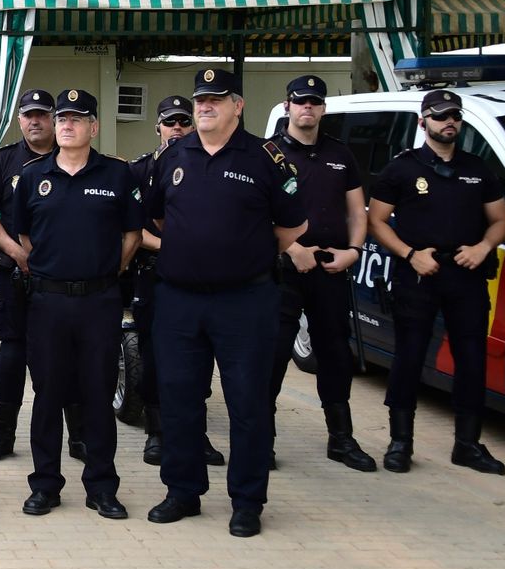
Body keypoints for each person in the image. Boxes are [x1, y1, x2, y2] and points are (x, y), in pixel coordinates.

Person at [144, 67, 306, 538]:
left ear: (238, 104)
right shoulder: (174, 155)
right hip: (178, 300)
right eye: (200, 100)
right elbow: (156, 215)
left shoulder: (266, 157)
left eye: (216, 98)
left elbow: (293, 228)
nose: (205, 107)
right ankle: (183, 491)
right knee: (179, 399)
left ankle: (247, 501)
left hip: (245, 301)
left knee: (248, 403)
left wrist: (241, 253)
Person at [367, 88, 505, 475]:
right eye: (440, 115)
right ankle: (400, 443)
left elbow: (501, 220)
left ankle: (467, 444)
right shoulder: (403, 168)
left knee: (471, 360)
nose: (449, 121)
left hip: (466, 274)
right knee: (409, 357)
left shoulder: (478, 168)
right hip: (417, 273)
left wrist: (483, 247)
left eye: (455, 116)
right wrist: (410, 254)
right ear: (423, 122)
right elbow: (376, 221)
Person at [13, 90, 140, 520]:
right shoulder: (32, 176)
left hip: (100, 301)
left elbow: (131, 237)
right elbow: (26, 239)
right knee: (48, 395)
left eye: (77, 118)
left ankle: (102, 486)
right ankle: (45, 485)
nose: (66, 125)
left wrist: (103, 273)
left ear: (93, 127)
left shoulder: (118, 175)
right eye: (61, 118)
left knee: (98, 394)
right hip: (48, 302)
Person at [266, 76, 375, 472]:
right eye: (300, 102)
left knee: (334, 354)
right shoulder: (269, 153)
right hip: (284, 270)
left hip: (331, 267)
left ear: (323, 109)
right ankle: (263, 440)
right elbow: (256, 212)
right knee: (274, 355)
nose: (307, 108)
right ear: (287, 106)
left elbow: (356, 212)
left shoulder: (341, 154)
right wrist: (292, 249)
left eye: (314, 102)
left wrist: (354, 252)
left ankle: (341, 439)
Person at [128, 95, 224, 467]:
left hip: (199, 278)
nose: (178, 129)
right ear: (158, 127)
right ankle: (156, 433)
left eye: (184, 122)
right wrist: (172, 246)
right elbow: (132, 224)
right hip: (155, 274)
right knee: (152, 355)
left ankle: (195, 435)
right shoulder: (139, 170)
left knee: (198, 359)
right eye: (171, 123)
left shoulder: (205, 167)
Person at [0, 88, 57, 462]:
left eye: (42, 114)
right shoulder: (3, 161)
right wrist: (15, 252)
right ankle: (2, 435)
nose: (35, 121)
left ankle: (73, 438)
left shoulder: (74, 158)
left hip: (62, 280)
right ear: (20, 119)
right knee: (12, 355)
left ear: (55, 117)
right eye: (29, 115)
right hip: (15, 275)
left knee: (63, 357)